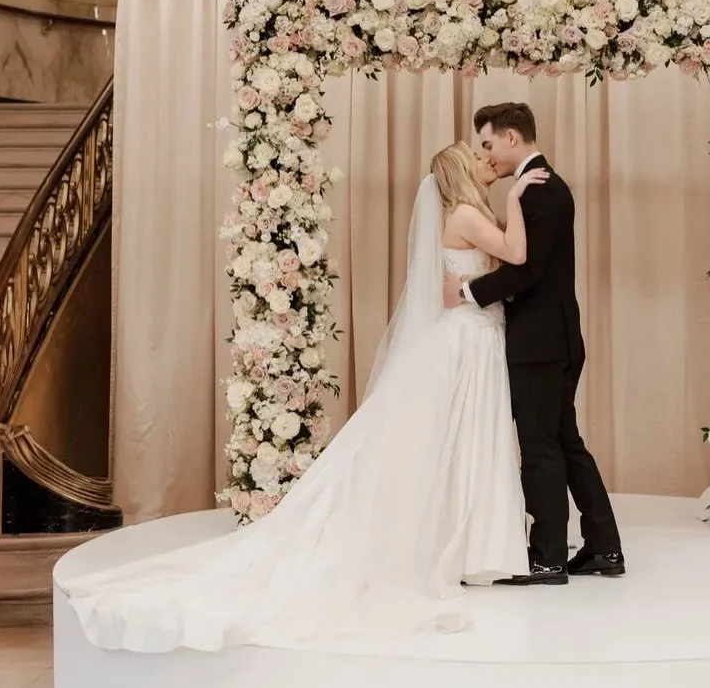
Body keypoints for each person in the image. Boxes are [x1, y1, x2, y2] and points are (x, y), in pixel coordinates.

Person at [60, 142, 546, 651]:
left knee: (464, 439)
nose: (482, 159)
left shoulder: (465, 211)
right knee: (463, 438)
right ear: (458, 172)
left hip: (474, 335)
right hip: (466, 340)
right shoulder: (467, 213)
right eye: (475, 155)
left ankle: (464, 544)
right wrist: (515, 200)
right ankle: (459, 545)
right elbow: (515, 253)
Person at [444, 103, 624, 585]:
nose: (487, 155)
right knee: (566, 442)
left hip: (540, 342)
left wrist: (467, 291)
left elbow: (527, 270)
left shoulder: (536, 189)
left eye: (487, 144)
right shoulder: (546, 184)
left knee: (541, 447)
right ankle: (604, 547)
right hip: (557, 336)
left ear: (509, 138)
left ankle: (546, 557)